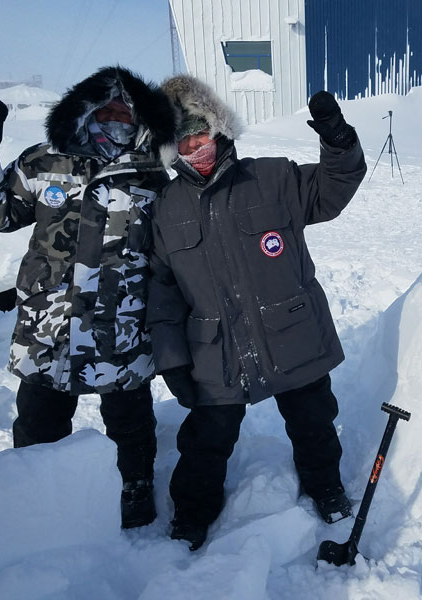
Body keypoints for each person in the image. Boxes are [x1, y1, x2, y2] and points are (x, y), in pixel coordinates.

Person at [147, 75, 367, 551]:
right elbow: (162, 293)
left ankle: (325, 485)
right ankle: (193, 512)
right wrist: (172, 360)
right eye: (182, 141)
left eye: (200, 134)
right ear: (170, 149)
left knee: (314, 422)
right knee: (206, 441)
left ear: (219, 129)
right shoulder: (166, 208)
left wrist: (338, 139)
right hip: (215, 350)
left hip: (290, 332)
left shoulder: (272, 177)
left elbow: (335, 186)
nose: (195, 148)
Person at [0, 66, 179, 529]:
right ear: (85, 111)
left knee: (130, 422)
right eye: (107, 108)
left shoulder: (156, 176)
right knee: (38, 422)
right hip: (49, 323)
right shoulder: (43, 161)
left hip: (122, 322)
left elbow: (180, 243)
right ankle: (34, 494)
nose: (116, 115)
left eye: (126, 110)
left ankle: (133, 485)